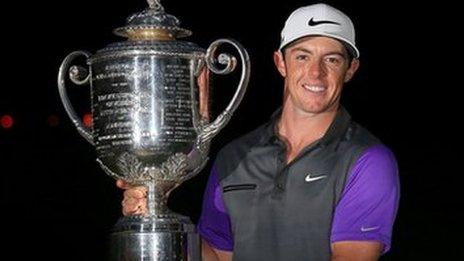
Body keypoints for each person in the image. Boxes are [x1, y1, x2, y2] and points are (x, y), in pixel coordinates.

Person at [117, 3, 400, 260]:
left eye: (332, 60)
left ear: (351, 69)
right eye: (302, 57)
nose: (316, 73)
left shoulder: (368, 160)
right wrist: (160, 214)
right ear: (280, 63)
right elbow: (217, 255)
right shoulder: (235, 157)